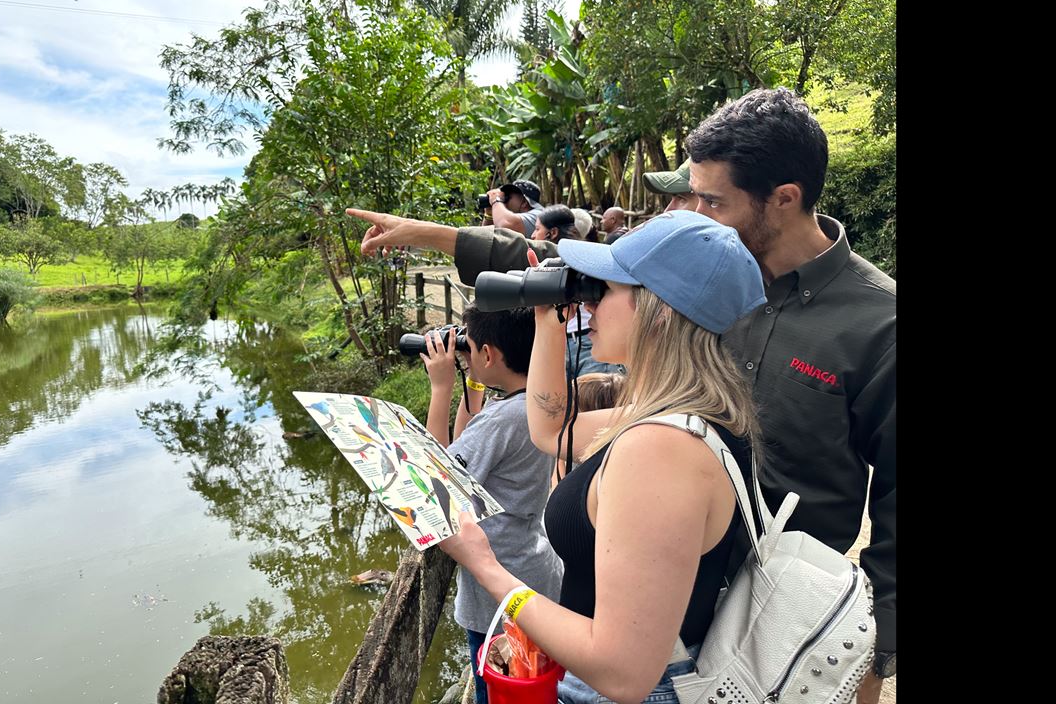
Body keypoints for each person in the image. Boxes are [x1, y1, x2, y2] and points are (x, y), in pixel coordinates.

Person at [350, 87, 898, 701]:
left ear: (784, 198)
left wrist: (871, 658)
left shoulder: (875, 324)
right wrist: (439, 238)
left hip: (773, 622)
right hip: (675, 608)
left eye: (711, 200)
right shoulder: (704, 296)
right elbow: (551, 421)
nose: (693, 212)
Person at [440, 211, 766, 703]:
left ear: (657, 311)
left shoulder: (660, 450)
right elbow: (551, 429)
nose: (587, 306)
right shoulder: (696, 412)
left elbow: (621, 673)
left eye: (603, 290)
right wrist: (546, 321)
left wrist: (486, 566)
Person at [418, 305, 562, 704]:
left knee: (499, 690)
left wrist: (441, 388)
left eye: (470, 345)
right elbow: (467, 451)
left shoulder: (502, 420)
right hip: (532, 561)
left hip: (499, 581)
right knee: (534, 683)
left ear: (487, 354)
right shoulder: (538, 399)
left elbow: (439, 477)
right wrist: (473, 382)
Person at [533, 205, 622, 378]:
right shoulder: (545, 264)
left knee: (593, 395)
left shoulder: (584, 260)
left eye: (537, 229)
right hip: (560, 341)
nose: (533, 235)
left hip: (589, 341)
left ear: (553, 232)